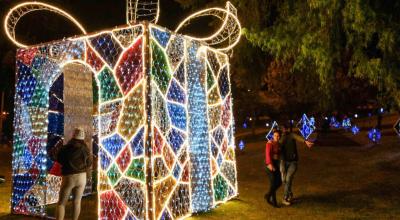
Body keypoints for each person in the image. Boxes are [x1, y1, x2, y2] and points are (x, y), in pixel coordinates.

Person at [55, 128, 92, 220]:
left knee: (61, 203)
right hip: (82, 177)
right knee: (77, 202)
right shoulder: (85, 149)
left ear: (73, 136)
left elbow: (59, 159)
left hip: (69, 176)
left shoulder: (66, 148)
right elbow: (90, 163)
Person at [279, 124, 313, 206]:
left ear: (288, 129)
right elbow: (276, 146)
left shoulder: (292, 135)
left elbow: (298, 137)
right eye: (283, 129)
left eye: (286, 128)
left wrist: (305, 141)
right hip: (283, 162)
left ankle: (285, 198)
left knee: (288, 178)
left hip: (293, 162)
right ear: (281, 129)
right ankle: (290, 193)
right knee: (284, 180)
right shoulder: (280, 138)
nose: (285, 130)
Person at [264, 130, 282, 208]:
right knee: (273, 183)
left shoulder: (279, 144)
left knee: (279, 182)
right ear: (273, 136)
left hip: (276, 164)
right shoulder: (269, 143)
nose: (276, 137)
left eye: (278, 136)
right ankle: (274, 202)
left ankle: (268, 195)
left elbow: (278, 154)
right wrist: (269, 164)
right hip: (269, 165)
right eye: (275, 136)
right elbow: (267, 154)